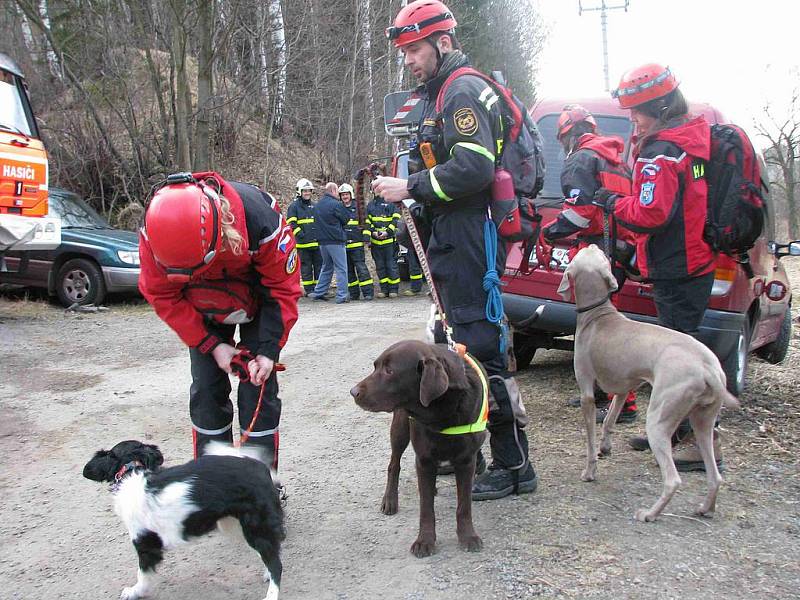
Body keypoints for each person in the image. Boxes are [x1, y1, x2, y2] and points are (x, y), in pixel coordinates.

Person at [372, 0, 538, 500]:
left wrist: (411, 188)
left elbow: (474, 169)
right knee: (456, 343)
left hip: (467, 234)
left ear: (443, 43)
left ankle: (514, 466)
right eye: (404, 53)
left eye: (416, 50)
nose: (409, 61)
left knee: (479, 350)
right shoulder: (440, 92)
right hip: (450, 233)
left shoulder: (462, 90)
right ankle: (472, 447)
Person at [595, 63, 722, 471]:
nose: (632, 118)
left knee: (679, 356)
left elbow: (651, 212)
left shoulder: (662, 150)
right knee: (681, 347)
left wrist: (614, 203)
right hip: (694, 260)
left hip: (678, 265)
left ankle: (700, 444)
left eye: (637, 110)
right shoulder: (691, 139)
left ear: (660, 106)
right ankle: (678, 432)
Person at [138, 172, 301, 466]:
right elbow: (162, 294)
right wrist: (211, 345)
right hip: (200, 308)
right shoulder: (154, 231)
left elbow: (282, 289)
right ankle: (213, 479)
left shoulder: (259, 219)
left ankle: (260, 483)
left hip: (259, 301)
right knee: (206, 390)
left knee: (258, 387)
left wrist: (267, 351)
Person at [541, 104, 638, 424]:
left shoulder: (581, 159)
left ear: (568, 135)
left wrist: (550, 232)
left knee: (603, 331)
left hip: (601, 250)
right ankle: (600, 393)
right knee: (600, 326)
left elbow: (579, 212)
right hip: (618, 250)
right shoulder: (615, 160)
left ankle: (623, 404)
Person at [308, 182, 351, 304]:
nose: (338, 194)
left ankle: (319, 292)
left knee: (326, 267)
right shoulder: (336, 205)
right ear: (333, 191)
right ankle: (342, 295)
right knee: (341, 268)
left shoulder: (317, 205)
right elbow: (346, 219)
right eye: (337, 191)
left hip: (322, 242)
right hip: (336, 241)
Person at [339, 183, 374, 301]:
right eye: (343, 195)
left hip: (357, 245)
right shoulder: (338, 208)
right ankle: (354, 294)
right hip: (344, 246)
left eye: (346, 194)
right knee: (349, 271)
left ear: (351, 194)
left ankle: (368, 293)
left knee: (361, 269)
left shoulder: (359, 208)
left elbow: (367, 223)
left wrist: (366, 238)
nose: (345, 197)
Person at [287, 178, 322, 296]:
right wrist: (301, 235)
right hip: (303, 244)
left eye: (309, 191)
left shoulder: (315, 206)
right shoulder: (294, 207)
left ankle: (319, 289)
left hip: (316, 243)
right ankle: (309, 290)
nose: (307, 193)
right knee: (306, 267)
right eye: (305, 191)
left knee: (319, 266)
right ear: (299, 192)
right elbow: (292, 223)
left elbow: (319, 222)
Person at [366, 193, 401, 298]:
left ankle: (393, 289)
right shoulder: (371, 205)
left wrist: (388, 232)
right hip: (376, 243)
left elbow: (396, 219)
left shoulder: (392, 202)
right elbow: (367, 221)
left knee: (391, 266)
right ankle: (384, 289)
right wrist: (373, 232)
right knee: (380, 267)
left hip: (389, 242)